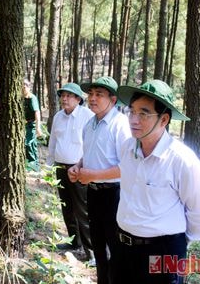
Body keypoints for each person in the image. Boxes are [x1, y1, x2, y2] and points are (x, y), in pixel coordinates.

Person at [113, 80, 200, 284]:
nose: (134, 120)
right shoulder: (127, 148)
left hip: (163, 252)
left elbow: (199, 211)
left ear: (164, 119)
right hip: (123, 246)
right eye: (131, 111)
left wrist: (178, 244)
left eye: (144, 114)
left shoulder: (181, 160)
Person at [68, 76, 132, 283]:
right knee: (98, 247)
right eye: (91, 94)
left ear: (113, 100)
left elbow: (128, 168)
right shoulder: (90, 124)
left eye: (99, 95)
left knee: (115, 249)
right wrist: (78, 166)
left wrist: (92, 175)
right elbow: (90, 154)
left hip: (114, 195)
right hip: (93, 194)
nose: (92, 99)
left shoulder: (121, 125)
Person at [46, 83, 94, 262]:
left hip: (79, 169)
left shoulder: (87, 116)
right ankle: (74, 242)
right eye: (62, 95)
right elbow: (53, 140)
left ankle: (91, 252)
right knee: (66, 207)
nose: (64, 99)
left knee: (83, 209)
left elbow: (91, 143)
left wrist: (87, 168)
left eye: (69, 95)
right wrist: (50, 163)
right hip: (61, 167)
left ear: (78, 99)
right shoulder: (58, 116)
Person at [23, 79, 43, 172]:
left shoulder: (32, 98)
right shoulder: (22, 98)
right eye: (22, 85)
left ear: (29, 87)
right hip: (25, 123)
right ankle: (32, 164)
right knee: (29, 144)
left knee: (29, 143)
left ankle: (34, 164)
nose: (23, 87)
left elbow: (37, 112)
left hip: (32, 124)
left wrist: (38, 127)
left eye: (25, 85)